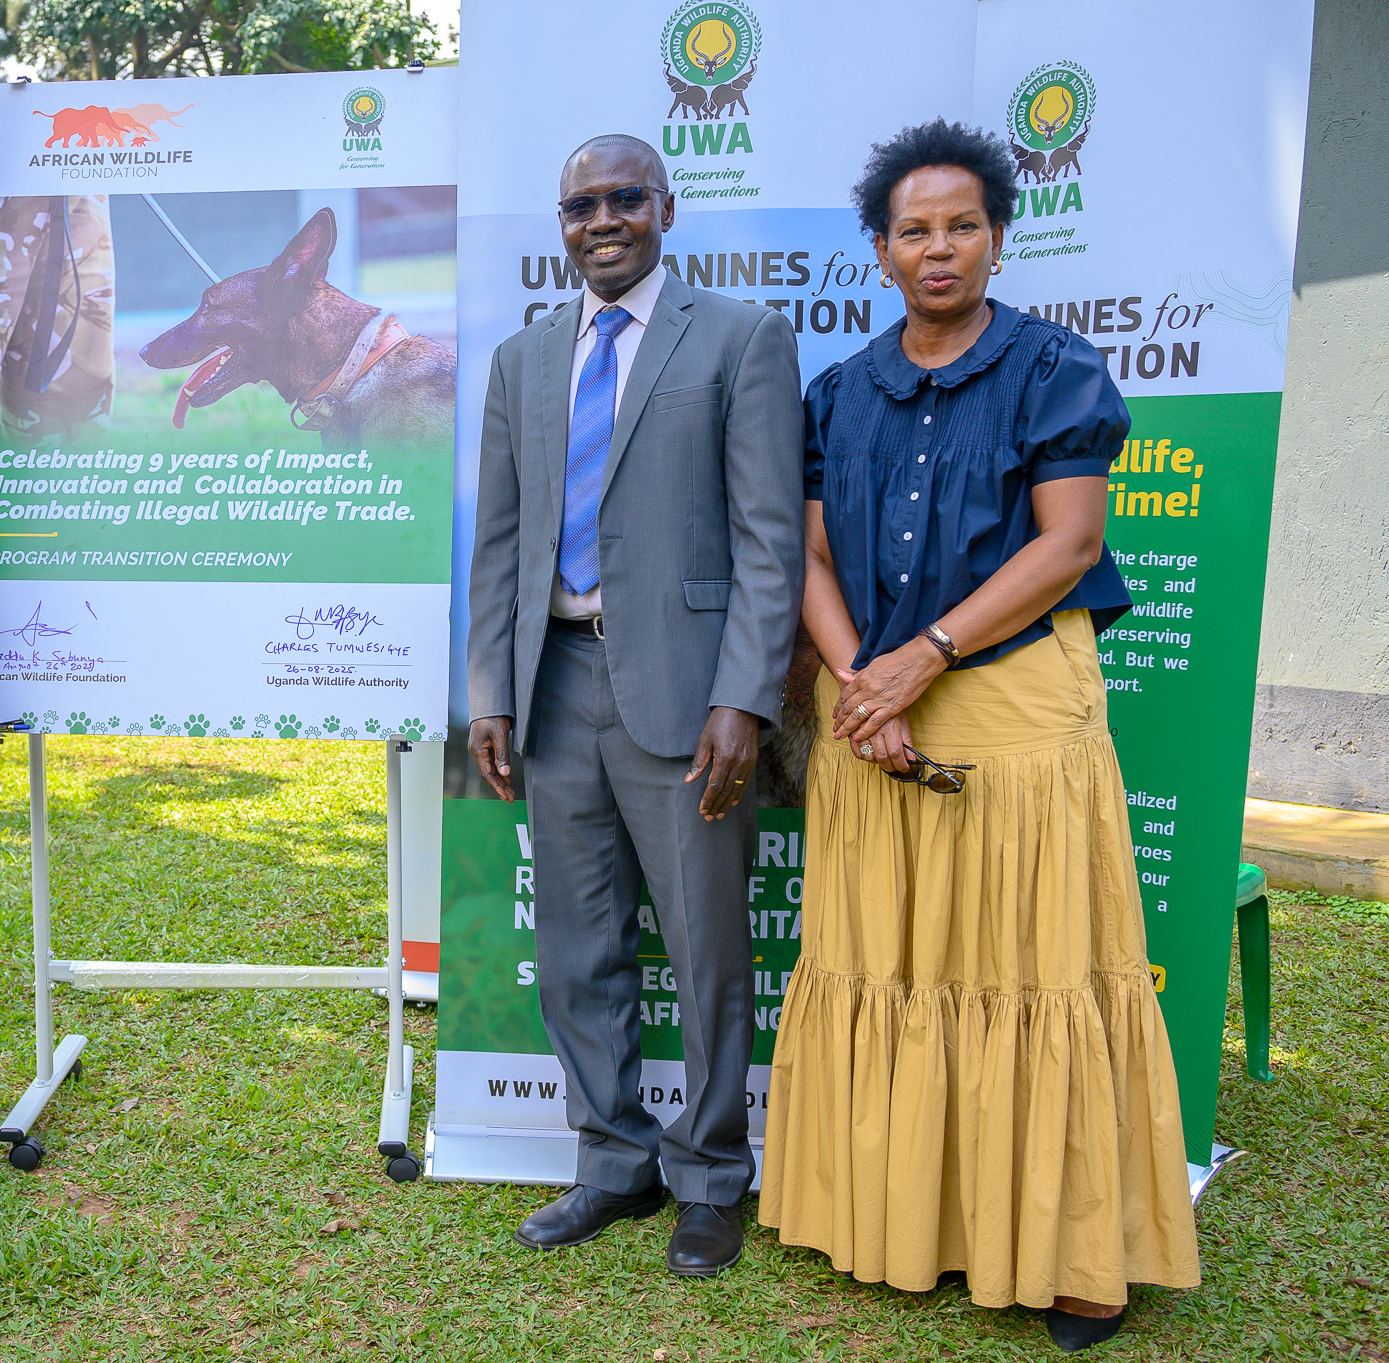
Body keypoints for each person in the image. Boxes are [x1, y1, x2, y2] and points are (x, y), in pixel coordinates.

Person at [757, 120, 1200, 1352]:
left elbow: (1065, 544)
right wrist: (857, 681)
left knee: (1031, 964)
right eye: (914, 230)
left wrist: (922, 660)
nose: (938, 247)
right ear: (878, 252)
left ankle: (1072, 1255)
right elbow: (806, 554)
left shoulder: (1052, 369)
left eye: (961, 225)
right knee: (889, 964)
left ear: (997, 239)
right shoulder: (837, 392)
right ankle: (910, 1224)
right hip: (868, 707)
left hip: (1007, 698)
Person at [467, 134, 804, 1276]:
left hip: (684, 692)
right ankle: (610, 1159)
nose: (600, 220)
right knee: (577, 943)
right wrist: (488, 690)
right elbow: (500, 543)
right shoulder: (521, 360)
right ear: (558, 223)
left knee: (705, 948)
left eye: (622, 199)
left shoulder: (740, 339)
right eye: (578, 205)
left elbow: (769, 543)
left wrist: (744, 697)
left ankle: (711, 1177)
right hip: (552, 685)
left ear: (663, 207)